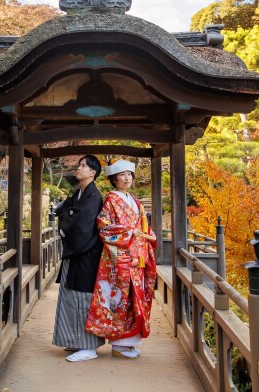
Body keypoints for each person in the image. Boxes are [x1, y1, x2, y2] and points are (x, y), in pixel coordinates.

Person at [85, 159, 157, 359]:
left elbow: (142, 226)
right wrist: (130, 232)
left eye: (129, 175)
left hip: (137, 256)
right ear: (114, 179)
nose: (127, 178)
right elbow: (104, 226)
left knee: (135, 298)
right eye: (122, 175)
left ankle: (130, 342)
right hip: (121, 257)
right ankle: (119, 345)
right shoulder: (111, 200)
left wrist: (148, 234)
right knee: (121, 299)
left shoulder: (134, 200)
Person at [52, 155, 105, 362]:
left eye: (84, 166)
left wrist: (66, 221)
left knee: (83, 298)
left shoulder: (94, 197)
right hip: (76, 253)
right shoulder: (80, 193)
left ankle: (89, 347)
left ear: (93, 172)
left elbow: (81, 226)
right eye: (80, 164)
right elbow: (64, 210)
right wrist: (68, 216)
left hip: (86, 254)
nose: (79, 168)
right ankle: (75, 340)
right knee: (70, 297)